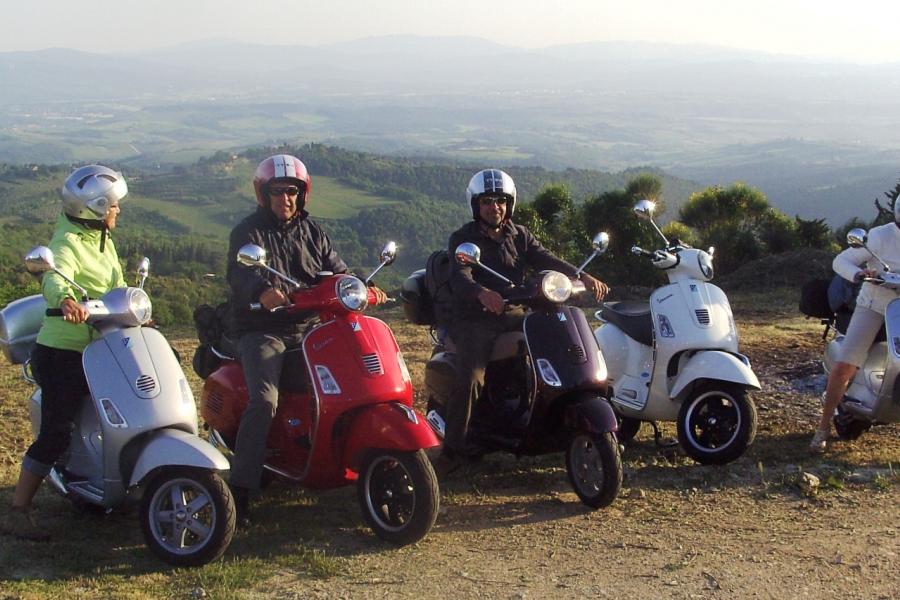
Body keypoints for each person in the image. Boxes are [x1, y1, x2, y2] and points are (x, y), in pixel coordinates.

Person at [226, 154, 385, 524]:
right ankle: (241, 490)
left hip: (313, 328)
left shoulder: (313, 232)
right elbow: (239, 273)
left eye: (293, 192)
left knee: (354, 381)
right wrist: (263, 291)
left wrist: (361, 284)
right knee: (264, 400)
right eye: (278, 192)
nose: (286, 199)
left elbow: (336, 269)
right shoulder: (248, 233)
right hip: (264, 330)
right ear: (263, 194)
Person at [440, 169, 609, 469]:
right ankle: (453, 449)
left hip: (516, 312)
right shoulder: (463, 239)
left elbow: (547, 259)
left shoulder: (519, 235)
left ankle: (548, 416)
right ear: (476, 205)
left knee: (560, 341)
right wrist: (481, 293)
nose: (496, 207)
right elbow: (459, 276)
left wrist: (581, 274)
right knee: (471, 377)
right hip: (476, 319)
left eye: (501, 201)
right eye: (488, 202)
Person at [1, 165, 128, 541]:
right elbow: (55, 277)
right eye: (114, 206)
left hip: (99, 347)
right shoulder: (67, 243)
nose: (117, 212)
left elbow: (117, 286)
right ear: (96, 208)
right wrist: (67, 299)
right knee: (58, 429)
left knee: (117, 413)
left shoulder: (103, 242)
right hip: (62, 353)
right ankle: (17, 509)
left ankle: (96, 486)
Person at [811, 206, 900, 453]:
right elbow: (842, 260)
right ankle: (823, 428)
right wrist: (860, 273)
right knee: (845, 366)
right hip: (874, 305)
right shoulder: (880, 236)